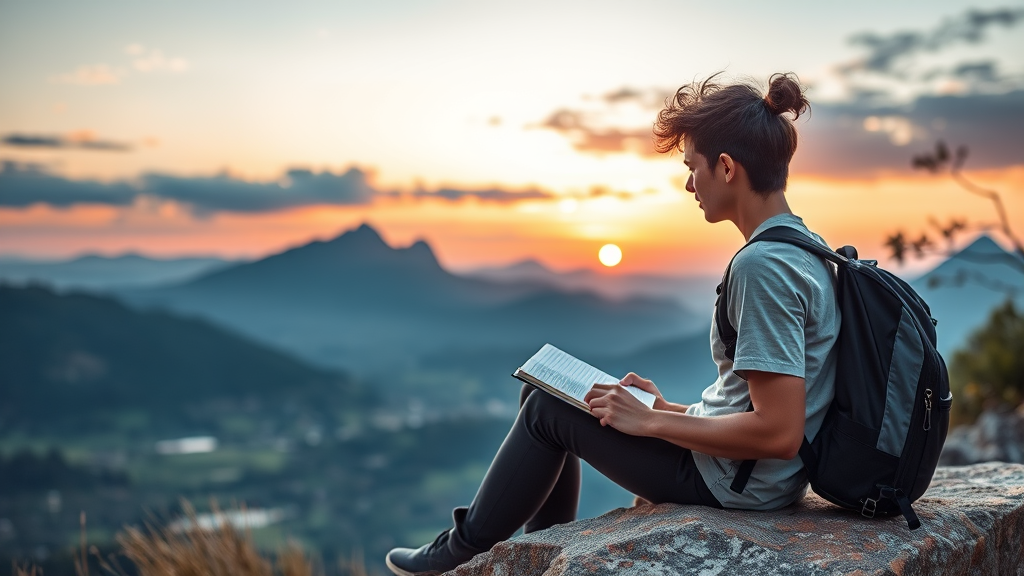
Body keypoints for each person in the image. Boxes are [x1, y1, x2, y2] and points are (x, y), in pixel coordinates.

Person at [385, 72, 839, 576]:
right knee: (549, 391)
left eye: (692, 167)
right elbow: (757, 404)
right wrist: (670, 407)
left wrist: (652, 421)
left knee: (545, 410)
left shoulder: (764, 267)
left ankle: (461, 550)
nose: (689, 184)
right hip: (744, 472)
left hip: (737, 485)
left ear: (727, 168)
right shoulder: (804, 249)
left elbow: (778, 432)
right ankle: (542, 548)